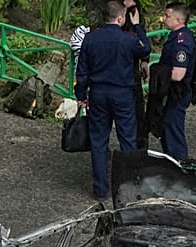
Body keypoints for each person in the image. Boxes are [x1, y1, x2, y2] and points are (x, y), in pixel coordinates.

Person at [75, 1, 151, 200]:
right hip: (123, 94)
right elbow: (145, 49)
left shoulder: (90, 39)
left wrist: (81, 96)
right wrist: (137, 26)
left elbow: (81, 71)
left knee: (98, 141)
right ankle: (129, 187)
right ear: (120, 18)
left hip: (98, 93)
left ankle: (100, 189)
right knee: (128, 139)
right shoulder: (128, 39)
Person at [158, 2, 196, 160]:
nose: (163, 19)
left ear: (179, 20)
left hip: (179, 92)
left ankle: (180, 166)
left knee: (173, 129)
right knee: (167, 127)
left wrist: (157, 74)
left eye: (167, 16)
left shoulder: (182, 41)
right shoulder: (176, 36)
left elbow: (178, 74)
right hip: (173, 92)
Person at [122, 0, 150, 151]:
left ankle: (141, 147)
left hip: (133, 68)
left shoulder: (136, 8)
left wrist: (144, 61)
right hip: (117, 68)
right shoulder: (112, 7)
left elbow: (142, 35)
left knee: (139, 111)